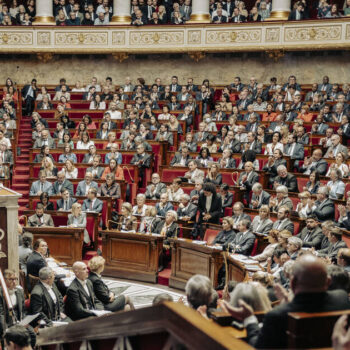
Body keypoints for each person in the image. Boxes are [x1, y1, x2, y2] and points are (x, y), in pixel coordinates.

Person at [220, 255, 350, 349]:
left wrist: (249, 319)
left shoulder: (277, 316)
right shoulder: (342, 299)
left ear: (292, 283)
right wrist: (288, 302)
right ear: (328, 282)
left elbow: (258, 346)